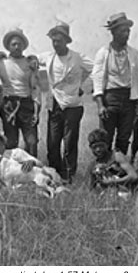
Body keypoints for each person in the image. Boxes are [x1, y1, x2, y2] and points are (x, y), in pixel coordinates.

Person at [38, 21, 93, 184]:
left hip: (73, 105)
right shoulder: (48, 57)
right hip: (54, 104)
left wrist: (83, 85)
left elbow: (96, 69)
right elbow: (31, 59)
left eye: (59, 40)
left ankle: (69, 176)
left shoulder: (77, 57)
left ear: (66, 41)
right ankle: (55, 174)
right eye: (53, 41)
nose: (56, 44)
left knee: (70, 143)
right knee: (53, 143)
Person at [91, 12, 138, 154]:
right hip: (110, 98)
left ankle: (120, 170)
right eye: (123, 31)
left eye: (128, 31)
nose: (127, 34)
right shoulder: (103, 53)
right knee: (105, 137)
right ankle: (103, 170)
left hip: (129, 99)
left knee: (124, 137)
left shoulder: (134, 53)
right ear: (113, 32)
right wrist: (100, 105)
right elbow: (97, 79)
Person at [0, 28, 41, 156]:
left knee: (32, 142)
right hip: (9, 106)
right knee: (10, 142)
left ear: (24, 46)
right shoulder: (1, 64)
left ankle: (33, 171)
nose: (16, 47)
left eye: (19, 44)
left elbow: (35, 89)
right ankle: (11, 171)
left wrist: (37, 111)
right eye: (13, 44)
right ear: (8, 47)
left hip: (27, 105)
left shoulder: (30, 64)